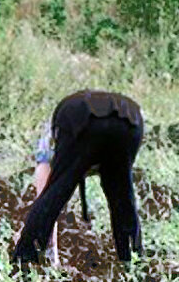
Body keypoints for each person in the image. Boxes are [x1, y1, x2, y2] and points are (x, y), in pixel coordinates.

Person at [12, 90, 144, 266]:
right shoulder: (51, 142)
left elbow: (45, 197)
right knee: (122, 198)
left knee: (55, 195)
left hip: (83, 121)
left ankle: (25, 262)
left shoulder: (49, 141)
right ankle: (132, 263)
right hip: (130, 120)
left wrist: (34, 233)